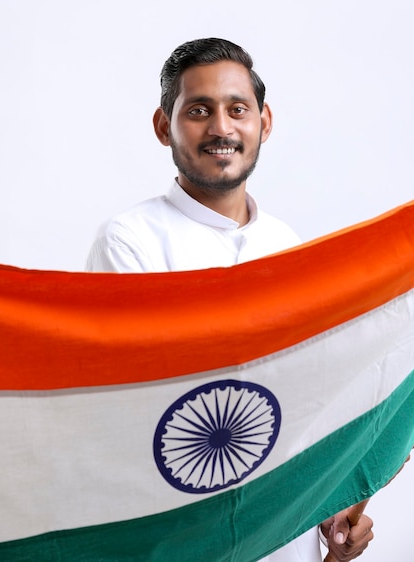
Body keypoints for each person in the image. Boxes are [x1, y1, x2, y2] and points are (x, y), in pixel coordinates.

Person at [87, 38, 374, 561]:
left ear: (264, 123)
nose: (221, 128)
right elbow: (143, 407)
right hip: (181, 538)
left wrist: (329, 507)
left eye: (236, 109)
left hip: (286, 537)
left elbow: (310, 404)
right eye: (199, 110)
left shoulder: (290, 249)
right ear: (162, 126)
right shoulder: (130, 241)